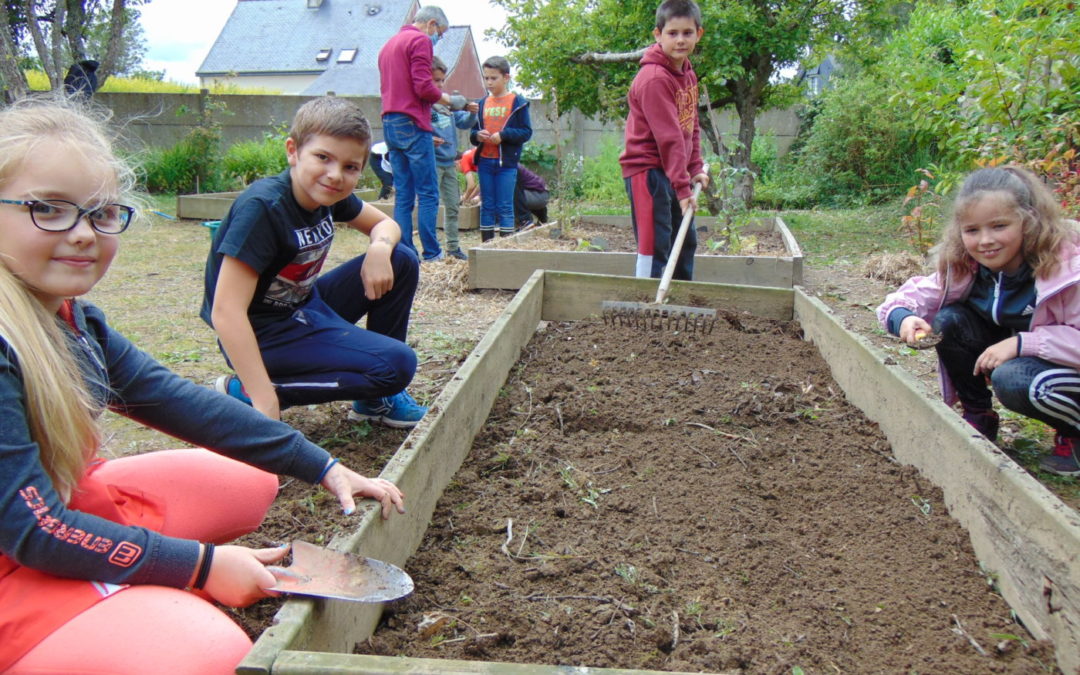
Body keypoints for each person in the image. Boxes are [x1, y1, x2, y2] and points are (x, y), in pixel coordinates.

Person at [0, 96, 406, 674]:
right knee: (208, 653)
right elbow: (32, 531)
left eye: (101, 213)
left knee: (251, 481)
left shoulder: (73, 320)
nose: (84, 234)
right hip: (22, 552)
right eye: (48, 209)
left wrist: (324, 466)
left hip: (59, 500)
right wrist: (201, 565)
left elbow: (179, 401)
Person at [202, 96, 428, 428]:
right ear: (293, 151)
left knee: (401, 259)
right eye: (323, 157)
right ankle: (249, 391)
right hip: (264, 334)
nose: (335, 175)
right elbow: (226, 312)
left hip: (305, 309)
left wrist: (379, 249)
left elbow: (386, 225)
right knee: (395, 366)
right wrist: (265, 400)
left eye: (350, 167)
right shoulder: (264, 209)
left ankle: (373, 401)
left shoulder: (327, 194)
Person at [877, 166, 1080, 477]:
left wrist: (1023, 343)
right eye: (972, 230)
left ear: (1028, 221)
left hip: (1058, 366)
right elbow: (907, 297)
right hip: (1020, 358)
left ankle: (1073, 433)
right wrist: (904, 319)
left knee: (1013, 379)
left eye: (999, 226)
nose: (985, 241)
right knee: (949, 321)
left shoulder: (1066, 269)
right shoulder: (967, 267)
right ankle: (978, 416)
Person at [618, 0, 709, 280]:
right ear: (658, 35)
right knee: (654, 244)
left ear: (698, 34)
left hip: (674, 170)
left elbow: (689, 124)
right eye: (672, 33)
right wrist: (683, 189)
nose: (680, 40)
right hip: (648, 171)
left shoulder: (687, 74)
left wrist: (694, 167)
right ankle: (646, 304)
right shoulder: (654, 78)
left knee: (685, 241)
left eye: (687, 33)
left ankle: (680, 303)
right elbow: (668, 138)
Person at [377, 5, 465, 261]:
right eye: (441, 33)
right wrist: (449, 99)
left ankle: (404, 252)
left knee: (404, 193)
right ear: (432, 24)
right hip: (413, 122)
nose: (439, 39)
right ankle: (432, 252)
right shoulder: (419, 41)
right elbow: (424, 87)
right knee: (428, 192)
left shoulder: (389, 45)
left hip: (390, 122)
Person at [470, 56, 532, 240]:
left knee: (505, 206)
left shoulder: (517, 102)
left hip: (506, 163)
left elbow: (525, 132)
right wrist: (477, 135)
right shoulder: (481, 104)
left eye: (493, 78)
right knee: (487, 205)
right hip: (485, 161)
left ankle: (504, 247)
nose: (489, 82)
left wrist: (503, 136)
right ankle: (486, 246)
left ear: (506, 78)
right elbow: (473, 133)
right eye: (486, 78)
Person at [431, 56, 478, 260]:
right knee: (430, 206)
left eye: (442, 81)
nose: (440, 85)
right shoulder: (424, 105)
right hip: (432, 162)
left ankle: (452, 247)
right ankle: (431, 248)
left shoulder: (446, 106)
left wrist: (473, 113)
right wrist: (428, 139)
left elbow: (464, 123)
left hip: (449, 163)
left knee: (452, 206)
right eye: (436, 81)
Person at [513, 164, 550, 229]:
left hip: (539, 195)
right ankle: (541, 213)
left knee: (507, 193)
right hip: (540, 195)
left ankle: (524, 220)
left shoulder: (510, 167)